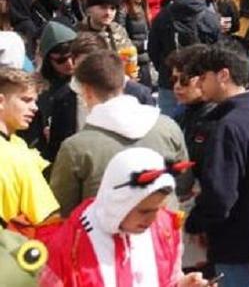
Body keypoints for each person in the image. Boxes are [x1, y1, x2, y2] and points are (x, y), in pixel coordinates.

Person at [183, 44, 249, 287]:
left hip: (238, 241)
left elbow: (220, 196)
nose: (199, 85)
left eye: (204, 77)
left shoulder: (229, 127)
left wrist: (195, 222)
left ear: (223, 75)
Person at [41, 148, 211, 287]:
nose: (152, 220)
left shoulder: (165, 226)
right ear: (119, 203)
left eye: (157, 209)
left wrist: (182, 284)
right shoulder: (70, 244)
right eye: (144, 211)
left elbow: (169, 279)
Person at [49, 50, 188, 216]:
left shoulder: (76, 147)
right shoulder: (168, 127)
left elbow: (63, 207)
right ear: (123, 84)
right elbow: (183, 181)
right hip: (163, 231)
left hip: (103, 236)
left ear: (86, 91)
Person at [0, 66, 58, 226]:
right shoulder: (17, 157)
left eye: (35, 101)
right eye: (26, 100)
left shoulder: (17, 143)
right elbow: (47, 219)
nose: (34, 107)